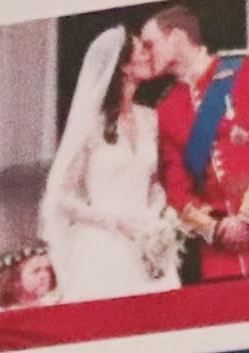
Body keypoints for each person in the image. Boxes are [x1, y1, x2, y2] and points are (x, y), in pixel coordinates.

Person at [142, 4, 249, 281]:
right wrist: (215, 228)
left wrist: (248, 217)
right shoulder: (167, 108)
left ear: (178, 37)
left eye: (150, 44)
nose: (145, 55)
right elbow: (177, 190)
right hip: (219, 260)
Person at [41, 25, 177, 302]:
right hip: (100, 245)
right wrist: (115, 221)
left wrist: (155, 218)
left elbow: (154, 184)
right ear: (123, 66)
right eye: (142, 50)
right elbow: (61, 197)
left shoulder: (150, 119)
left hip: (146, 243)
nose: (149, 56)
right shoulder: (91, 125)